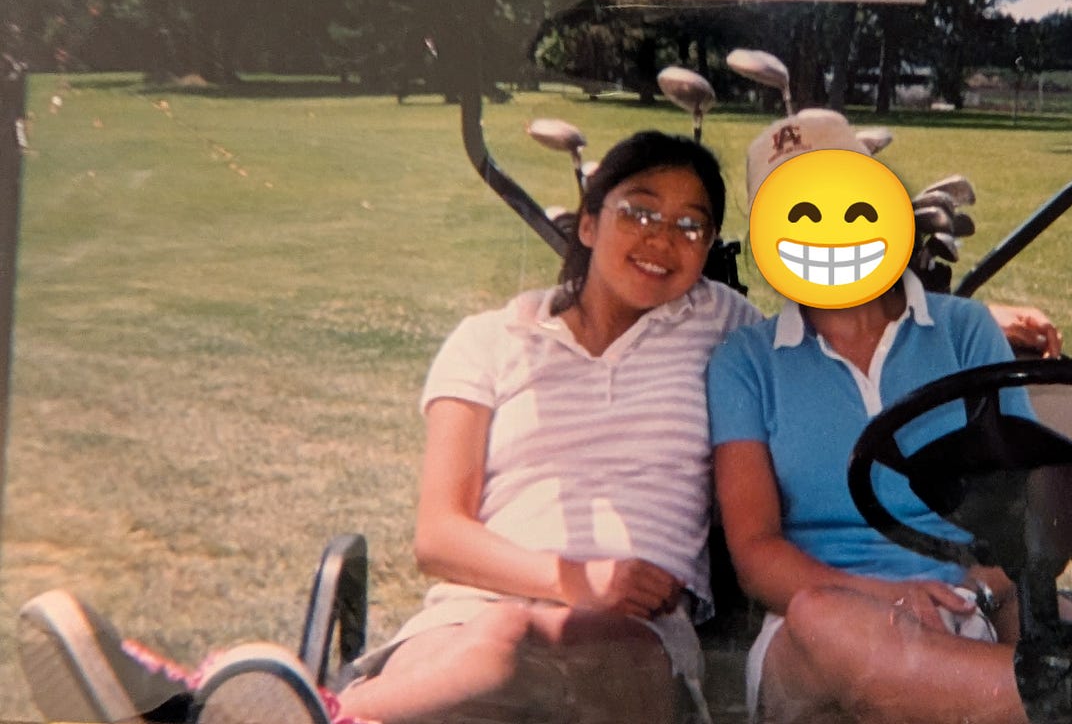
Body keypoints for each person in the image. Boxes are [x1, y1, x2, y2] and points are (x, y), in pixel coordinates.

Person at [19, 130, 762, 724]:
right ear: (590, 223)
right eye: (639, 209)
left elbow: (837, 315)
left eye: (690, 225)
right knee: (500, 641)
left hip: (633, 639)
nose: (663, 238)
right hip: (465, 624)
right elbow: (438, 537)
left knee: (543, 644)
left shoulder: (722, 326)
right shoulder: (492, 339)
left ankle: (209, 710)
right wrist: (576, 581)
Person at [707, 111, 1072, 724]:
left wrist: (984, 595)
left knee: (1053, 617)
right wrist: (887, 595)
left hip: (970, 590)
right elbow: (756, 551)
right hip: (820, 626)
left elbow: (1016, 501)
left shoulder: (962, 330)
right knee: (824, 617)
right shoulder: (747, 362)